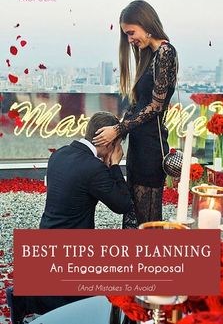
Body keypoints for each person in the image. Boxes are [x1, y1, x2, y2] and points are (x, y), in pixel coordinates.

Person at [7, 111, 133, 324]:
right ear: (109, 142)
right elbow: (123, 205)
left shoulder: (59, 154)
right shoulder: (94, 168)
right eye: (118, 144)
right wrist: (114, 166)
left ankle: (26, 296)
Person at [92, 0, 178, 227]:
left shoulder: (166, 52)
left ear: (146, 23)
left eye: (131, 33)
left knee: (147, 221)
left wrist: (118, 129)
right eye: (126, 35)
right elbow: (139, 105)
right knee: (133, 215)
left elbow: (156, 106)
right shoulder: (151, 55)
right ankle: (134, 260)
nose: (129, 39)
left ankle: (148, 261)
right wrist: (118, 134)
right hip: (139, 146)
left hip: (151, 148)